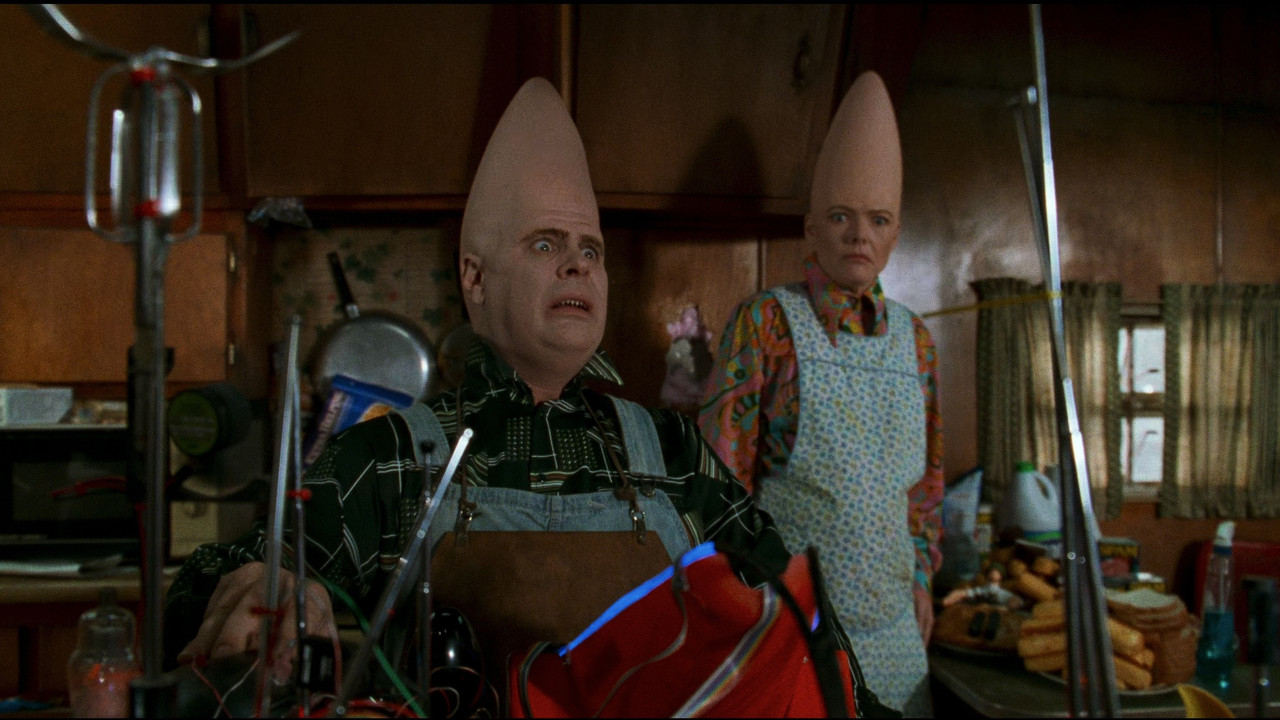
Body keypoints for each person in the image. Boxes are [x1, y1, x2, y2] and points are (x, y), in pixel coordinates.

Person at [162, 77, 791, 696]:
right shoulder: (391, 459)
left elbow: (795, 623)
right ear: (475, 279)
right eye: (545, 244)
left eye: (591, 250)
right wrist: (273, 589)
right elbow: (199, 592)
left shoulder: (677, 454)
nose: (578, 265)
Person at [698, 70, 944, 717]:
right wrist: (741, 604)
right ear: (810, 227)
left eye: (877, 220)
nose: (859, 235)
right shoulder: (765, 324)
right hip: (792, 632)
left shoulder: (917, 342)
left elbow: (925, 487)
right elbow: (716, 485)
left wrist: (922, 578)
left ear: (894, 235)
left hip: (896, 640)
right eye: (841, 217)